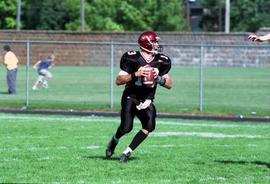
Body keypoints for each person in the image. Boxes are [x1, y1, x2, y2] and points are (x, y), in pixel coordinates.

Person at [105, 31, 173, 162]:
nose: (157, 44)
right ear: (146, 44)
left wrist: (158, 78)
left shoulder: (162, 60)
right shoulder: (131, 58)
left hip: (147, 100)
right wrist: (136, 74)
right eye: (154, 42)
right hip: (131, 96)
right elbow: (118, 80)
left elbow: (169, 84)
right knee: (126, 127)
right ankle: (114, 140)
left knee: (149, 126)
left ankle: (127, 152)